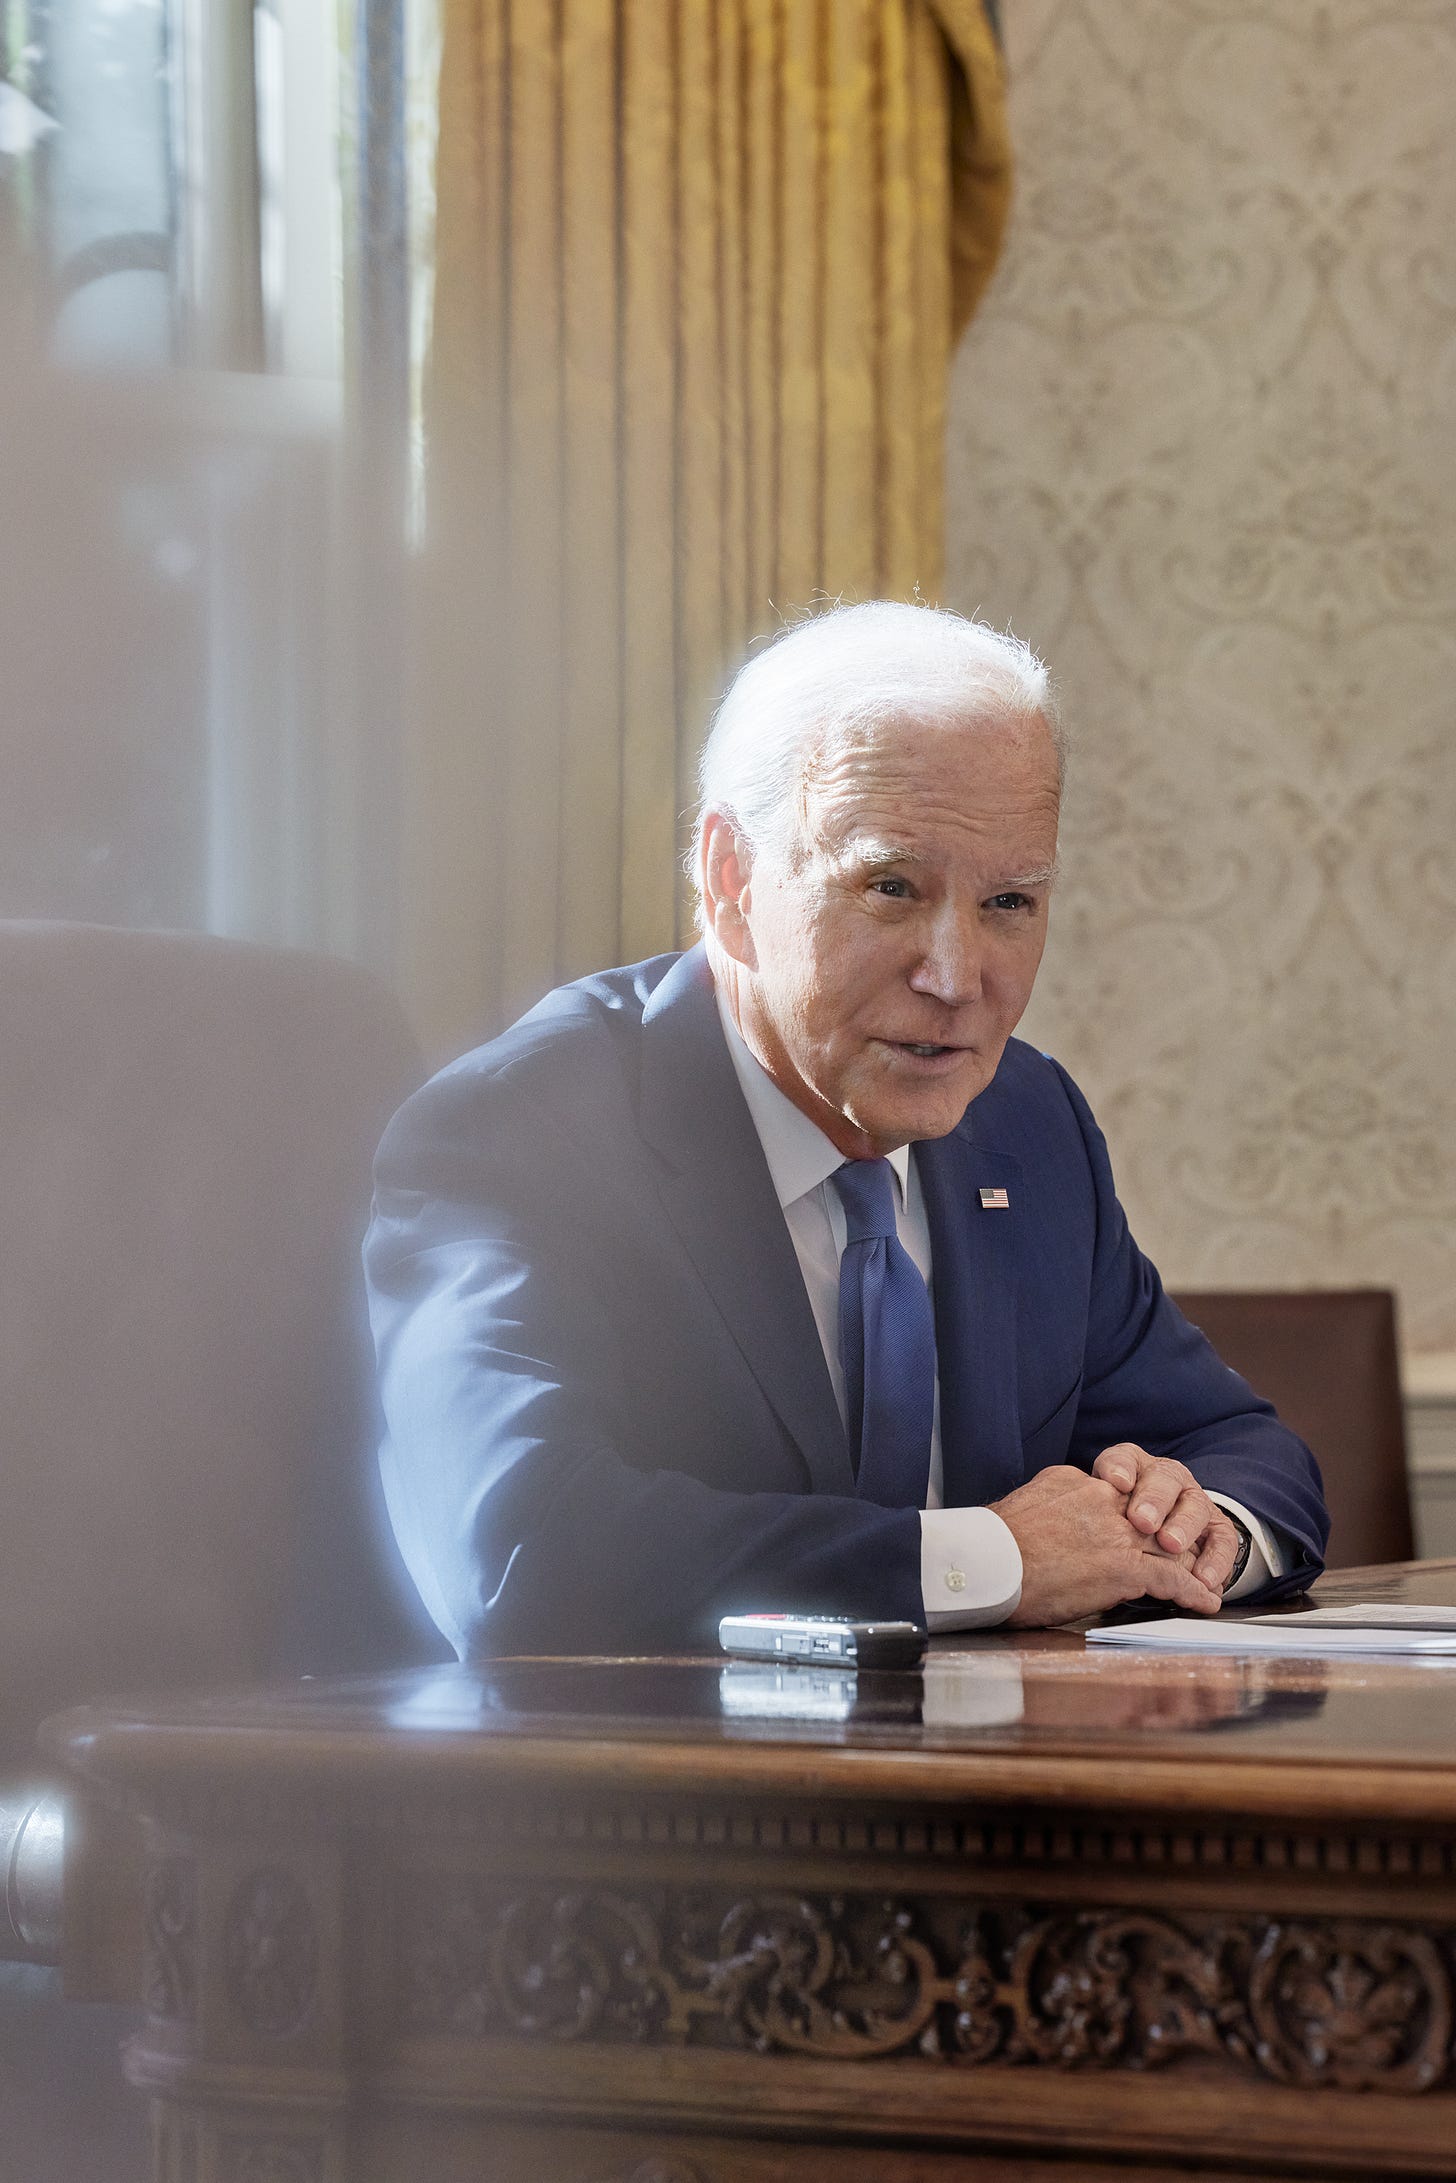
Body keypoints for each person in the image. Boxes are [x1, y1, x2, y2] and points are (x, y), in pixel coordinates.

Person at [365, 603, 1328, 1658]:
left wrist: (1195, 1532)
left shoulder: (1026, 1122)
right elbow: (513, 1546)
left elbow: (1241, 1448)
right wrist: (989, 1560)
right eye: (890, 887)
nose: (957, 978)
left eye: (1008, 900)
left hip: (996, 1795)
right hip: (639, 1803)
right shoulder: (526, 1130)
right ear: (731, 879)